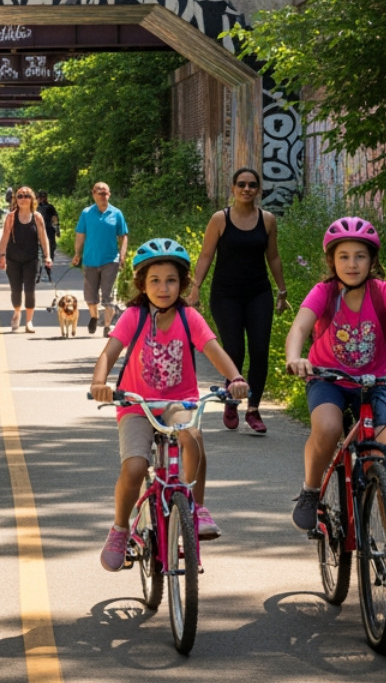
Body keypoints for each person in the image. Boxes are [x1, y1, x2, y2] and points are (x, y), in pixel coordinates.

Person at [282, 217, 386, 585]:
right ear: (332, 261)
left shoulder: (383, 291)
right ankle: (311, 492)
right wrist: (296, 356)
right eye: (344, 256)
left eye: (360, 256)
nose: (352, 264)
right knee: (327, 427)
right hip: (328, 380)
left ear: (373, 261)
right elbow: (300, 327)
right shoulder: (324, 292)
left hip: (374, 384)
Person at [89, 238, 249, 569]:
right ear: (141, 285)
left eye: (172, 280)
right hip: (136, 404)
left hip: (178, 401)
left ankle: (195, 508)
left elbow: (214, 351)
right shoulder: (133, 316)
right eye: (155, 281)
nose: (164, 288)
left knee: (193, 437)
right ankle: (120, 527)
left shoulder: (189, 318)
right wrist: (99, 383)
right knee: (134, 467)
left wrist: (235, 378)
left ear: (183, 283)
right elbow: (109, 353)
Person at [187, 167, 289, 435]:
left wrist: (282, 290)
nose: (247, 189)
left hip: (259, 293)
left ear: (258, 190)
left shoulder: (267, 220)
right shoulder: (220, 219)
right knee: (233, 350)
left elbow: (274, 257)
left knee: (259, 351)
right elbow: (207, 254)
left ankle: (253, 409)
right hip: (225, 295)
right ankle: (232, 399)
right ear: (233, 189)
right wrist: (195, 288)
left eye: (252, 185)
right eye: (241, 184)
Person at [71, 182, 129, 334]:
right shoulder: (86, 213)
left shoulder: (116, 213)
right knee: (90, 294)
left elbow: (124, 236)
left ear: (109, 194)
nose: (103, 196)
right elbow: (80, 234)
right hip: (90, 260)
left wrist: (122, 255)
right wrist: (77, 253)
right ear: (93, 194)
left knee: (108, 294)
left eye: (105, 193)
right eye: (99, 193)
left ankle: (107, 326)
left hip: (110, 260)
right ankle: (94, 317)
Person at [0, 185, 53, 332]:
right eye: (20, 196)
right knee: (16, 290)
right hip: (13, 258)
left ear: (31, 199)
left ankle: (29, 321)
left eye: (26, 196)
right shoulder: (11, 217)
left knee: (30, 290)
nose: (23, 199)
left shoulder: (37, 217)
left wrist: (47, 256)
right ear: (16, 199)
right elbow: (5, 237)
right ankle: (17, 312)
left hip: (32, 259)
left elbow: (43, 237)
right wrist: (2, 256)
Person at [37, 191, 60, 284]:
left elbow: (54, 219)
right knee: (47, 253)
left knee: (42, 254)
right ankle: (44, 274)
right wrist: (57, 229)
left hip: (46, 232)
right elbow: (55, 219)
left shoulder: (36, 208)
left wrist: (57, 229)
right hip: (46, 233)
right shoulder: (49, 208)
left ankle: (42, 274)